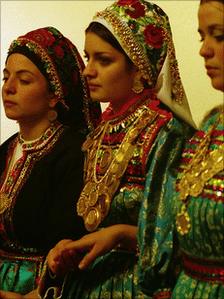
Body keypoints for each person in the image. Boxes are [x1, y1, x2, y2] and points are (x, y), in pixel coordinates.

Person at [38, 1, 197, 298]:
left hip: (142, 285)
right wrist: (69, 247)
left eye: (104, 60)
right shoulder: (99, 132)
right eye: (88, 58)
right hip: (91, 280)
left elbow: (176, 238)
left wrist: (123, 236)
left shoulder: (166, 133)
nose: (88, 71)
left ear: (139, 69)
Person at [0, 26, 101, 298]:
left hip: (42, 290)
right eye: (6, 77)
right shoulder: (5, 151)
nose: (8, 88)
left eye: (24, 80)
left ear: (54, 94)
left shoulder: (74, 154)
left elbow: (69, 248)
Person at [138, 0, 224, 298]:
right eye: (203, 37)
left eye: (220, 36)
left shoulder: (169, 133)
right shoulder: (211, 124)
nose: (204, 50)